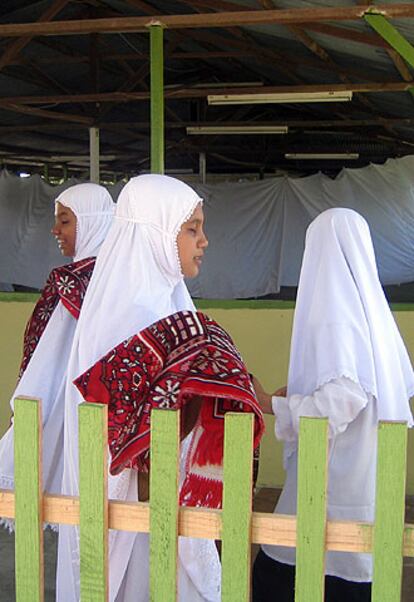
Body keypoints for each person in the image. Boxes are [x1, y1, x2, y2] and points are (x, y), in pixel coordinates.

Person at [56, 174, 264, 602]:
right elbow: (119, 429)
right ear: (157, 232)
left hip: (168, 508)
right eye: (191, 229)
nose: (203, 240)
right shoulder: (126, 314)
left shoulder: (172, 304)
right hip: (131, 509)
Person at [252, 208, 414, 602]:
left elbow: (344, 396)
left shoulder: (336, 316)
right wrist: (300, 391)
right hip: (362, 479)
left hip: (331, 488)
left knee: (283, 571)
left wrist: (270, 403)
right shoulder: (370, 314)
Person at [0, 183, 114, 517]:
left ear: (92, 221)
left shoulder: (70, 281)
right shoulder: (120, 279)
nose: (55, 230)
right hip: (110, 414)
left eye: (65, 221)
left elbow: (47, 356)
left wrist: (26, 399)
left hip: (77, 407)